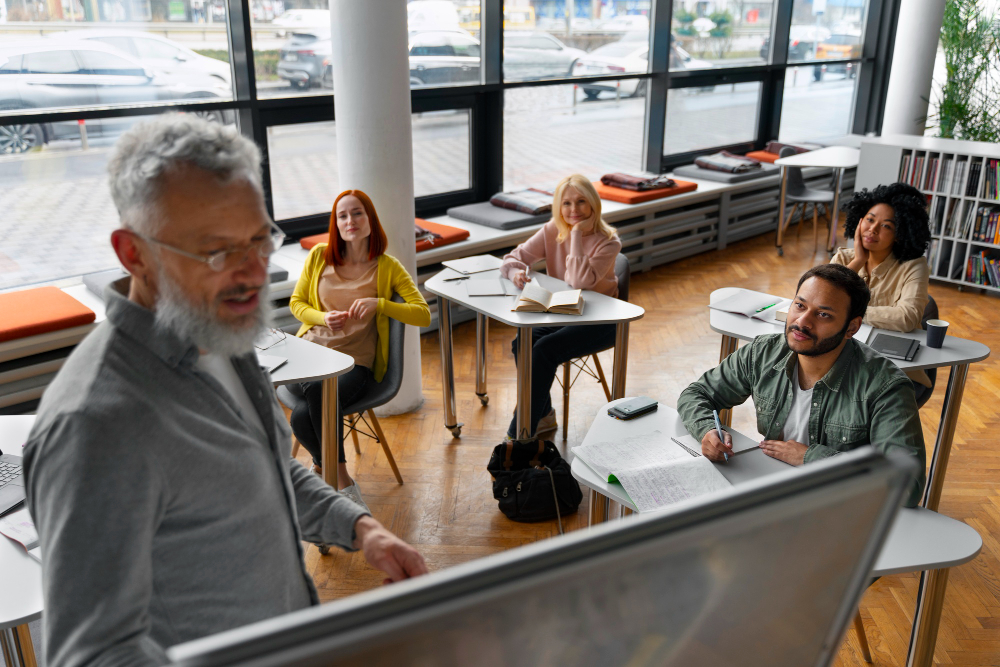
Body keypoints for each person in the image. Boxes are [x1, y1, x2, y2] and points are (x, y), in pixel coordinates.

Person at [22, 114, 427, 667]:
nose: (253, 273)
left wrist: (360, 527)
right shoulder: (95, 424)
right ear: (133, 254)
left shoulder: (226, 337)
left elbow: (268, 470)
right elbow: (94, 654)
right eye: (216, 251)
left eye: (260, 240)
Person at [677, 264, 926, 507]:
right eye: (800, 305)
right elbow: (696, 394)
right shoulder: (763, 353)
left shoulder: (886, 387)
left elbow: (906, 485)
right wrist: (707, 431)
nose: (802, 322)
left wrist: (811, 457)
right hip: (773, 493)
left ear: (851, 327)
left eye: (823, 314)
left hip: (842, 506)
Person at [288, 189, 430, 502]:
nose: (350, 220)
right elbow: (296, 303)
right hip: (310, 354)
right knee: (317, 388)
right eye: (342, 215)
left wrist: (380, 304)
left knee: (302, 416)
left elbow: (422, 315)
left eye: (357, 213)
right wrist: (323, 318)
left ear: (370, 219)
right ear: (335, 224)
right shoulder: (319, 256)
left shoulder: (388, 266)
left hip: (354, 364)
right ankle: (342, 481)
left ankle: (322, 472)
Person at [499, 174, 622, 440]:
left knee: (544, 349)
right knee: (521, 342)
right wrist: (515, 273)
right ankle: (542, 415)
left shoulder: (609, 241)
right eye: (566, 203)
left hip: (602, 321)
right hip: (564, 312)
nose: (574, 210)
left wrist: (576, 234)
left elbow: (579, 281)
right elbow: (513, 258)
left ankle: (519, 435)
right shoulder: (553, 229)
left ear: (593, 205)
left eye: (581, 202)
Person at [830, 182, 933, 389]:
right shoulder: (844, 258)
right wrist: (858, 261)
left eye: (886, 226)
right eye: (869, 220)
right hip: (844, 363)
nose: (873, 229)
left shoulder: (914, 266)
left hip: (894, 370)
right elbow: (822, 300)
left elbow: (908, 317)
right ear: (859, 221)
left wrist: (848, 314)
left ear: (899, 233)